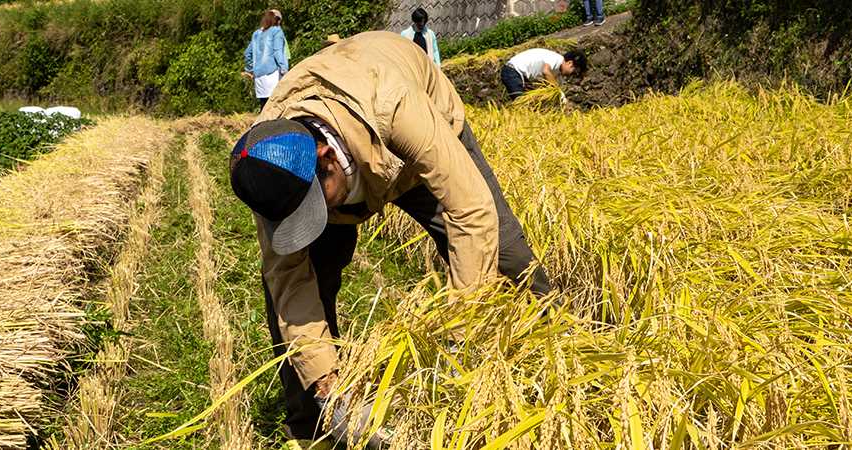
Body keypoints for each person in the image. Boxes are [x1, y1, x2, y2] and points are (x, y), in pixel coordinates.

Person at [228, 31, 550, 449]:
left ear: (326, 159)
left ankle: (551, 357)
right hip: (344, 146)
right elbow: (288, 278)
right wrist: (328, 384)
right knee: (289, 298)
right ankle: (312, 429)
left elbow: (469, 210)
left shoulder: (395, 105)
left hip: (408, 150)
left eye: (313, 209)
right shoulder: (267, 163)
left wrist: (461, 333)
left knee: (507, 255)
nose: (311, 222)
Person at [500, 47, 587, 101]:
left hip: (522, 76)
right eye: (574, 72)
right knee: (522, 104)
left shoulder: (558, 74)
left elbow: (549, 87)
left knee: (530, 103)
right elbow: (545, 71)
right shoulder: (557, 59)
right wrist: (558, 92)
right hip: (513, 71)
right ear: (570, 63)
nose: (571, 75)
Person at [243, 9, 290, 108]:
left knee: (263, 107)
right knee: (275, 107)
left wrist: (250, 69)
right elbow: (277, 52)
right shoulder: (276, 31)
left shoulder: (256, 33)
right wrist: (284, 69)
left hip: (259, 76)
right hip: (272, 74)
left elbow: (247, 53)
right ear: (277, 20)